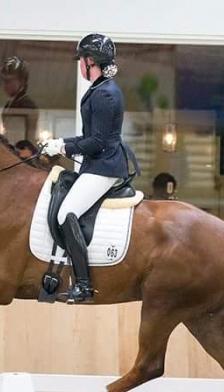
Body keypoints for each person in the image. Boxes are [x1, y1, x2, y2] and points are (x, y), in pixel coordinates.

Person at [41, 33, 141, 304]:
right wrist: (59, 143)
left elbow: (97, 142)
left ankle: (83, 285)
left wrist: (64, 147)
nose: (79, 66)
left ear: (90, 61)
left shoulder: (105, 94)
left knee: (66, 213)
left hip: (104, 167)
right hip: (97, 164)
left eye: (81, 60)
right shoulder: (99, 89)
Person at [0, 56, 38, 143]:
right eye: (4, 81)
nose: (6, 85)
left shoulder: (26, 105)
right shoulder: (10, 104)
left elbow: (29, 138)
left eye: (9, 80)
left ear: (22, 81)